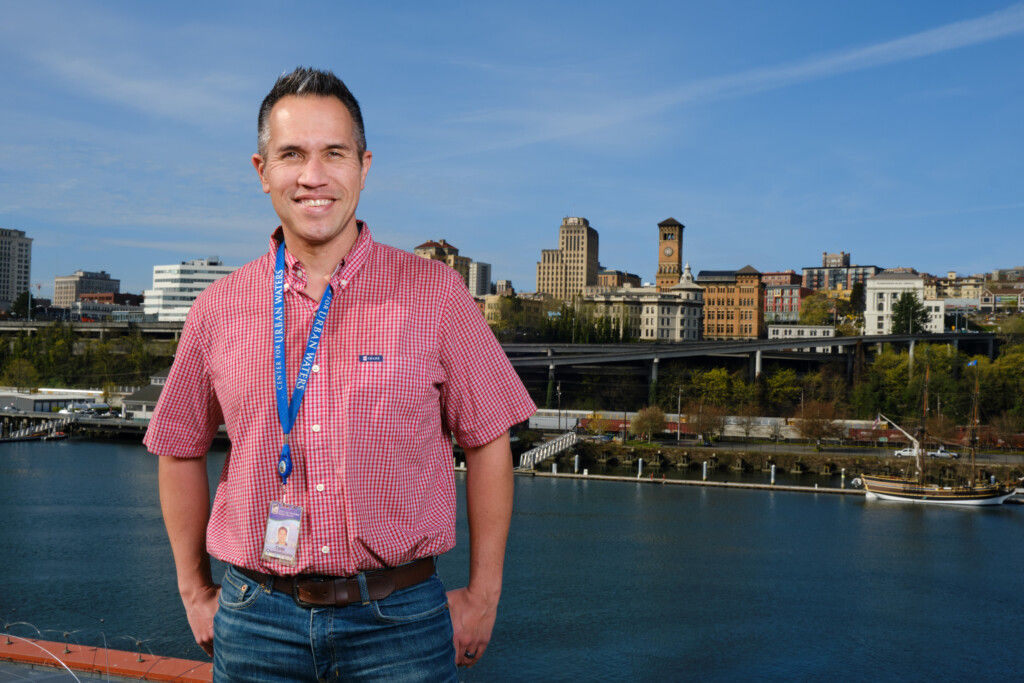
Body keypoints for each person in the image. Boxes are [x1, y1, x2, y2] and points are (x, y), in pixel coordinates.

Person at [145, 67, 535, 681]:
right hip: (256, 623)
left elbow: (488, 440)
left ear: (364, 165)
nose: (313, 176)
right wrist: (195, 591)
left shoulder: (437, 294)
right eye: (291, 154)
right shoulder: (217, 307)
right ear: (261, 170)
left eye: (334, 153)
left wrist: (484, 595)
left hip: (401, 624)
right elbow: (177, 448)